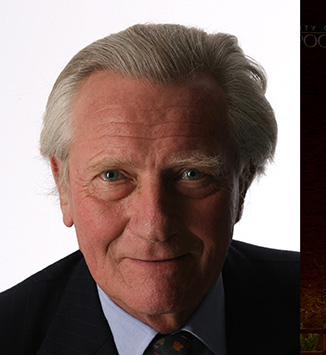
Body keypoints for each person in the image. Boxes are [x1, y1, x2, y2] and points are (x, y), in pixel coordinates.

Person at [0, 24, 298, 354]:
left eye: (191, 173)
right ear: (63, 187)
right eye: (112, 176)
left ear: (242, 183)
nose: (154, 225)